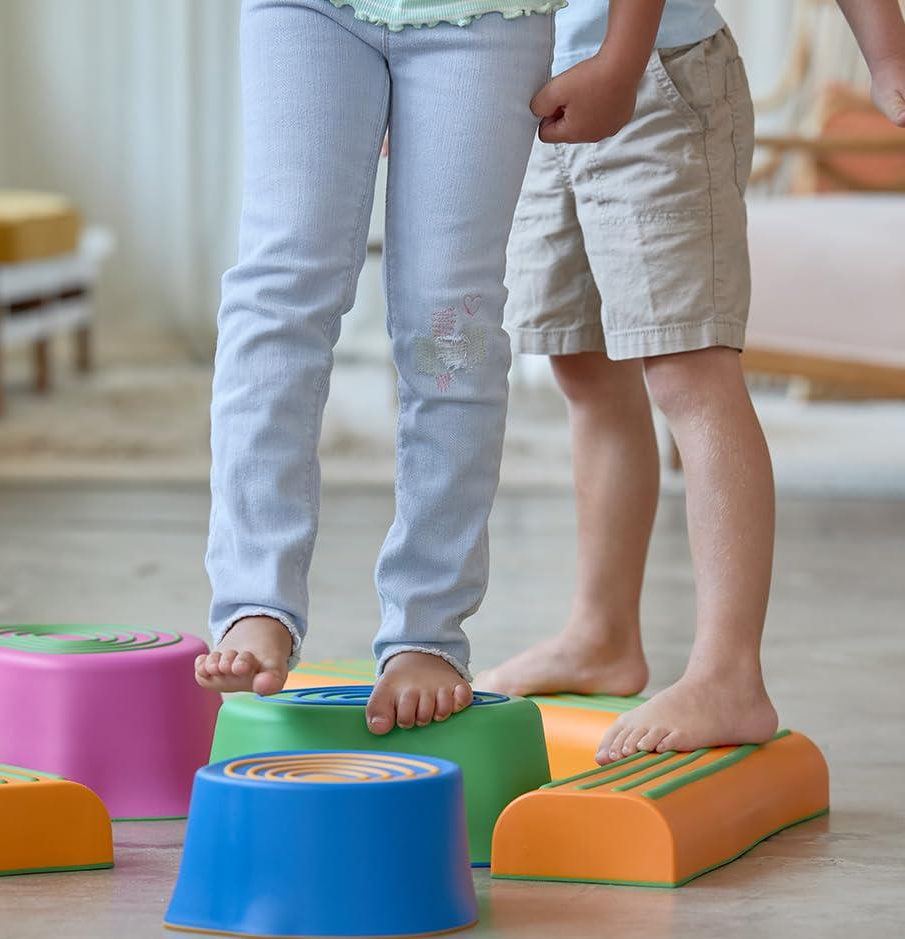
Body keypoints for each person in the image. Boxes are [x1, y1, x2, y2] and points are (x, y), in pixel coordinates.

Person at [195, 0, 669, 735]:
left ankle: (426, 628)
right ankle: (255, 598)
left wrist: (623, 57)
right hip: (307, 12)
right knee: (277, 291)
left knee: (453, 326)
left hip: (484, 19)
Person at [478, 0, 905, 764]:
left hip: (654, 82)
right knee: (582, 363)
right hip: (540, 100)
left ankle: (729, 673)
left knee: (688, 369)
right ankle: (601, 633)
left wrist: (887, 58)